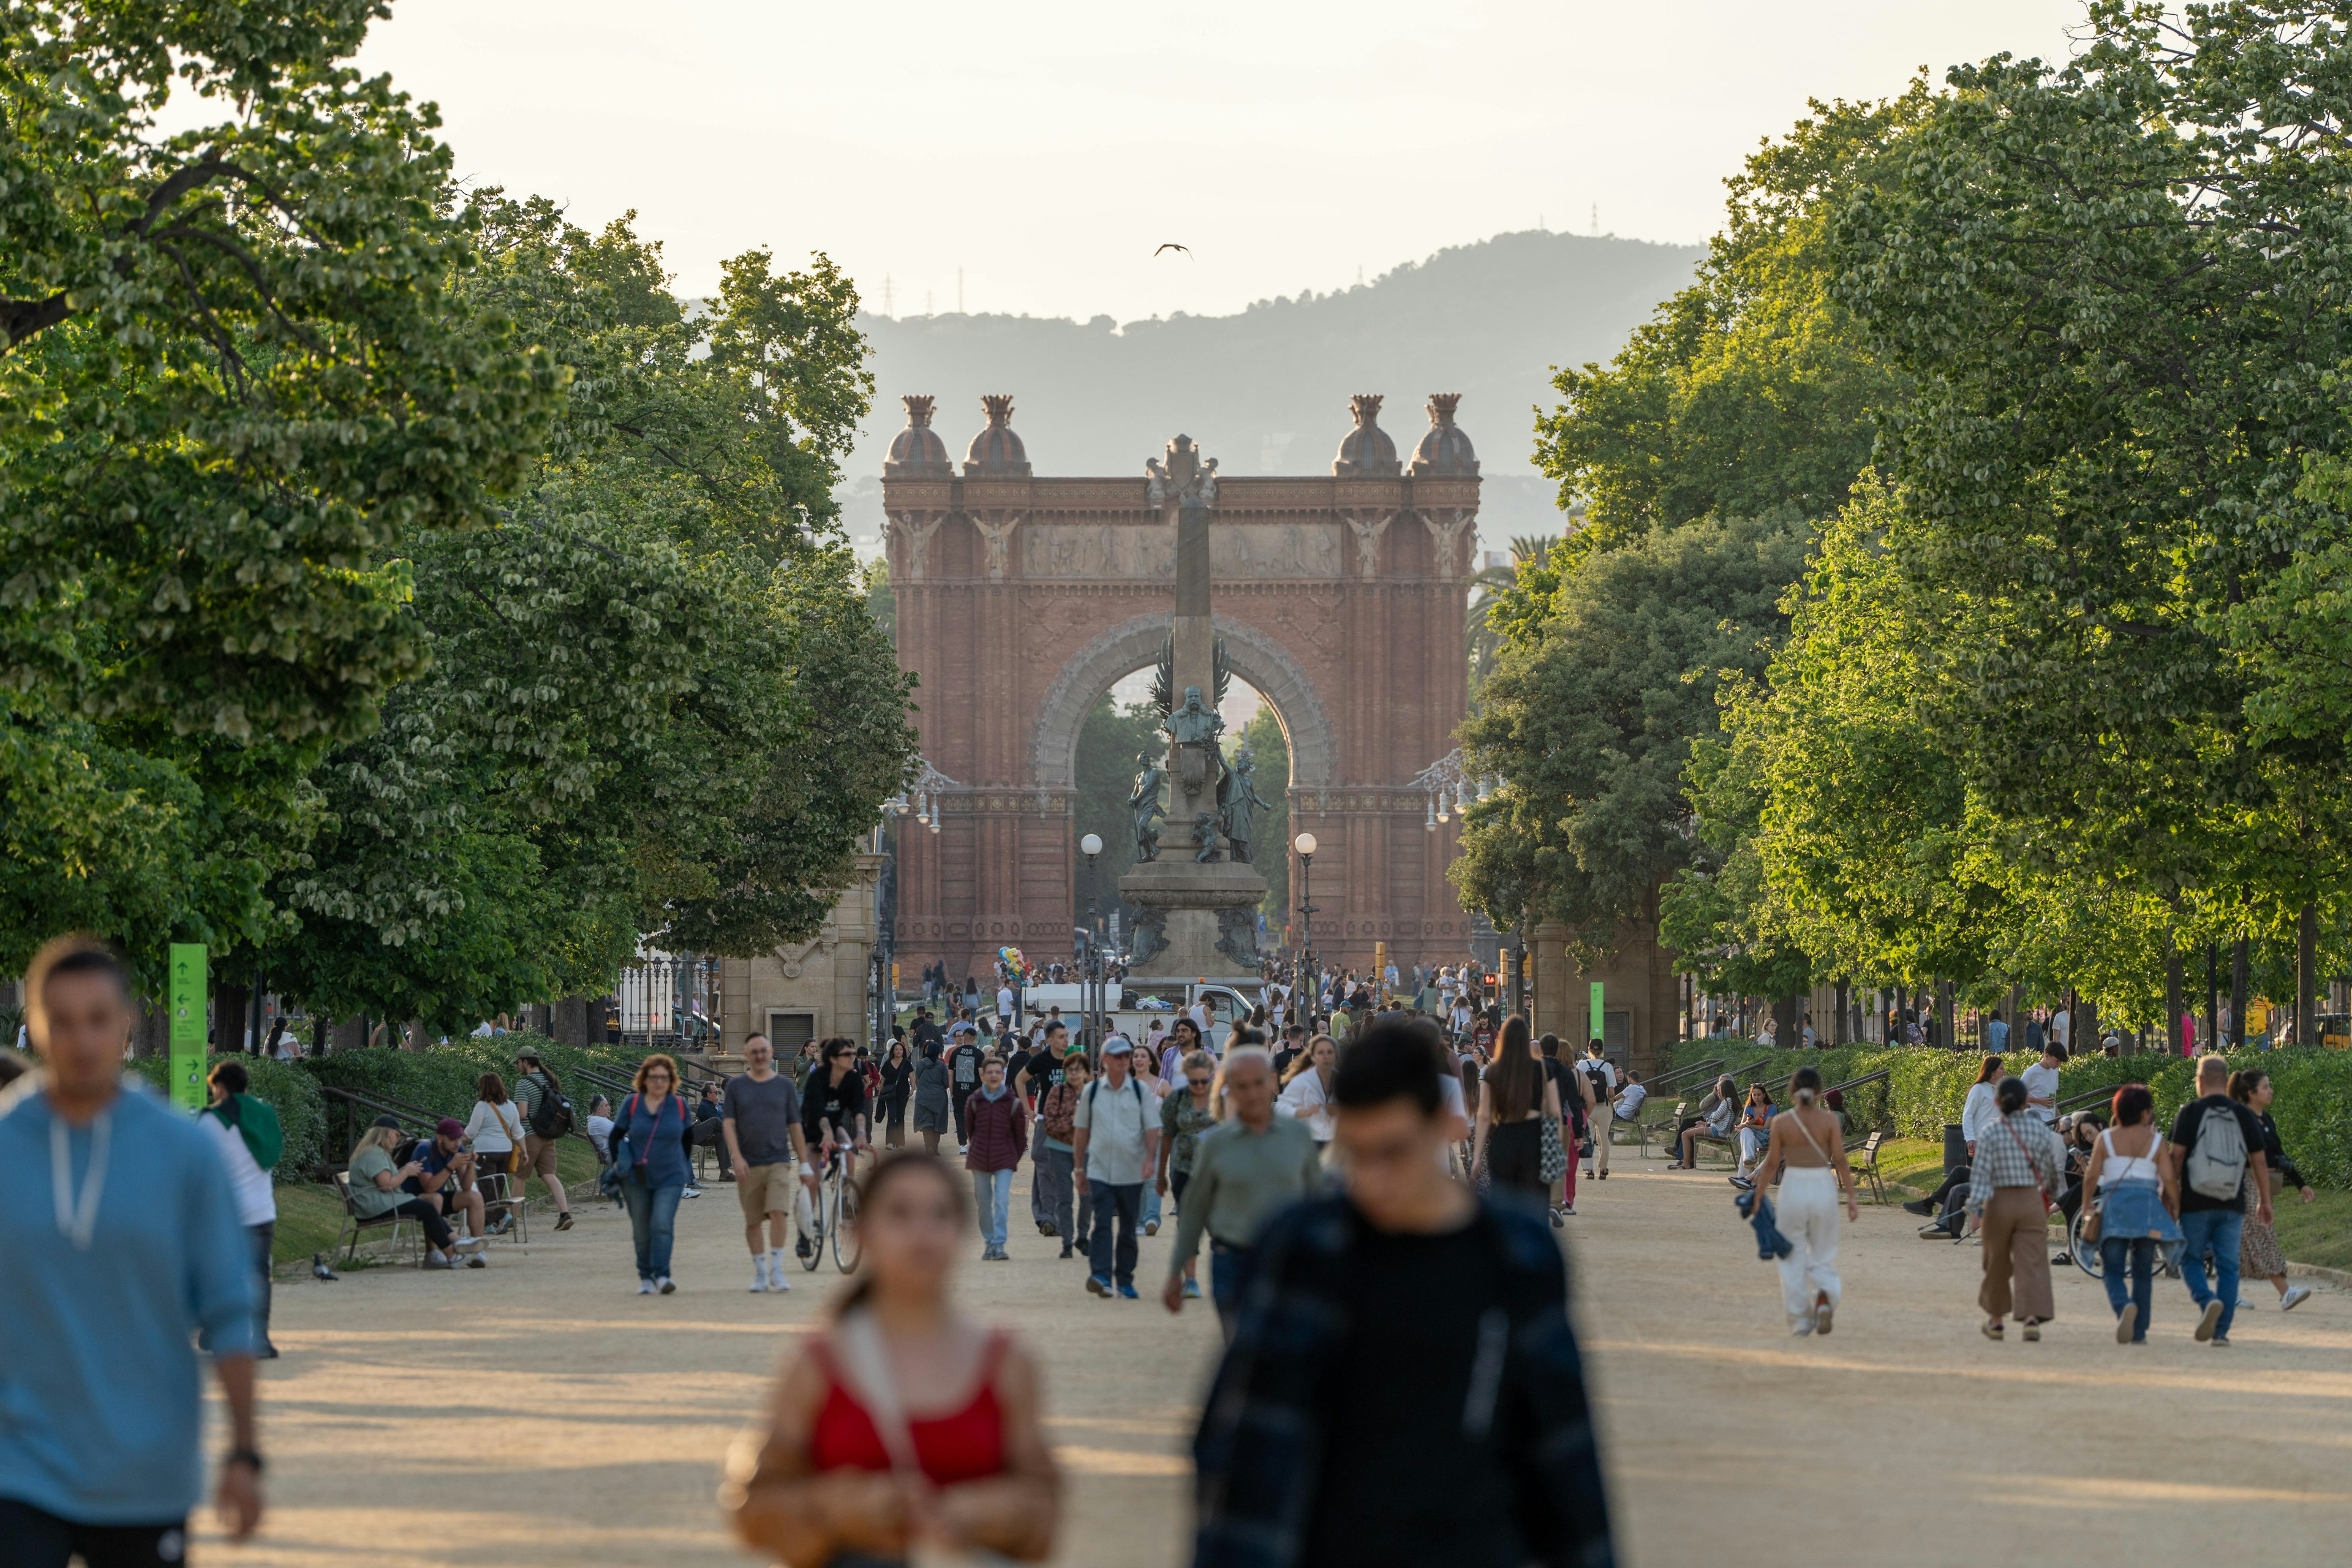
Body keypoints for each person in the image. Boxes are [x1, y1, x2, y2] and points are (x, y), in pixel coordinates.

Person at [1189, 1019, 1612, 1568]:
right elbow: (1243, 1445)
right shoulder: (1306, 1251)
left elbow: (1564, 1451)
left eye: (1393, 1151)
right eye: (1357, 1154)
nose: (1375, 1181)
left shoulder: (1517, 1255)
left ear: (1442, 1125)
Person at [2, 937, 266, 1561]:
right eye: (60, 1021)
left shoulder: (183, 1151)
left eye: (98, 1018)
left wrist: (245, 1453)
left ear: (125, 1022)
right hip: (19, 1466)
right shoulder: (5, 1145)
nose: (82, 1040)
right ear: (34, 1027)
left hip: (145, 1468)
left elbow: (230, 1308)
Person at [727, 1153, 1060, 1565]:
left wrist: (983, 1513)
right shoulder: (816, 1364)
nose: (922, 1233)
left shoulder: (1008, 1362)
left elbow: (1046, 1511)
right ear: (861, 1233)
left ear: (962, 1233)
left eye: (940, 1214)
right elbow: (751, 1507)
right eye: (899, 1213)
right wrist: (839, 1506)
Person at [1163, 1047, 1322, 1335]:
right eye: (1242, 1086)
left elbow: (1317, 1202)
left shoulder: (1298, 1137)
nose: (1251, 1094)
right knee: (1240, 1346)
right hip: (1231, 1261)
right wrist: (1176, 1272)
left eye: (1259, 1083)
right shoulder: (1216, 1144)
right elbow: (1194, 1208)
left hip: (1286, 1262)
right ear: (1229, 1090)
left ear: (1273, 1081)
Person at [1743, 1066, 1859, 1335]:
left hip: (1793, 1185)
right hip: (1821, 1184)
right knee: (1823, 1251)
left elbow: (1771, 1164)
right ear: (1819, 1093)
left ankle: (1800, 1319)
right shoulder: (1829, 1122)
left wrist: (1758, 1197)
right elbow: (1841, 1160)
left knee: (1791, 1254)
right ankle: (1824, 1297)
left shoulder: (1783, 1122)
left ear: (1791, 1092)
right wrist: (1852, 1197)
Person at [2166, 1054, 2272, 1345]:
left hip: (2195, 1202)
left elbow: (2176, 1158)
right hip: (2232, 1200)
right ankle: (2222, 1332)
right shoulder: (2242, 1114)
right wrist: (2266, 1201)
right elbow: (2259, 1161)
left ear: (2199, 1081)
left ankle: (2205, 1300)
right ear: (2226, 1082)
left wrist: (2170, 1197)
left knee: (2190, 1259)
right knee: (2228, 1266)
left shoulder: (2189, 1112)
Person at [2075, 1084, 2180, 1343]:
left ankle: (2123, 1306)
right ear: (2145, 1113)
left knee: (2112, 1269)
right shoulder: (2156, 1141)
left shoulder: (2106, 1138)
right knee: (2143, 1272)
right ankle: (2140, 1332)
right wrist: (2175, 1206)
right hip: (2147, 1209)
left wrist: (2087, 1204)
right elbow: (2168, 1179)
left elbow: (2091, 1176)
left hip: (2115, 1208)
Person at [1964, 1076, 2065, 1341]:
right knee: (2031, 1260)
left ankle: (1996, 1320)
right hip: (2031, 1200)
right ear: (2024, 1103)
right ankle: (2031, 1318)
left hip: (1998, 1202)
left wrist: (1976, 1209)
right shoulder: (2040, 1131)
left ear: (1997, 1103)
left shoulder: (1990, 1132)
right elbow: (2050, 1173)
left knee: (1996, 1261)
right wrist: (2049, 1196)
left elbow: (1981, 1176)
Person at [198, 1060, 282, 1359]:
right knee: (260, 1275)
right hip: (261, 1210)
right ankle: (260, 1339)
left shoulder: (210, 1120)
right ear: (245, 1086)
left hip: (224, 1214)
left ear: (220, 1088)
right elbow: (274, 1153)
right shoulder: (265, 1114)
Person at [723, 1035, 813, 1294]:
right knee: (753, 1221)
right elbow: (728, 1124)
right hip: (748, 1163)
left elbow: (795, 1126)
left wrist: (805, 1163)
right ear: (746, 1055)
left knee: (778, 1212)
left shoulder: (784, 1086)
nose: (760, 1055)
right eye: (755, 1051)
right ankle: (761, 1272)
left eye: (764, 1051)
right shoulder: (737, 1087)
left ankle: (777, 1269)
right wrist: (736, 1157)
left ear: (771, 1052)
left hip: (778, 1161)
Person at [1073, 1038, 1159, 1300]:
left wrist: (1149, 1160)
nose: (1123, 1060)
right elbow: (1081, 1131)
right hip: (1099, 1170)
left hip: (1131, 1171)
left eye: (1126, 1056)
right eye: (1117, 1056)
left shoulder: (1140, 1091)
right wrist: (1079, 1169)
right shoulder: (1092, 1091)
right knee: (1101, 1224)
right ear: (1105, 1060)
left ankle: (1124, 1280)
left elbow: (1152, 1128)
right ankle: (1100, 1276)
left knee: (1128, 1228)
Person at [2229, 1068, 2313, 1313]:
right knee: (2259, 1235)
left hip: (2259, 1183)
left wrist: (2301, 1183)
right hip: (2244, 1183)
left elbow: (2277, 1152)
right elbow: (2254, 1156)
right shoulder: (2242, 1118)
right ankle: (2285, 1291)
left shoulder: (2265, 1119)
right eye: (2265, 1087)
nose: (2271, 1091)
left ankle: (2230, 1293)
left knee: (2243, 1239)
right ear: (2251, 1092)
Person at [616, 1054, 694, 1294]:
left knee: (661, 1223)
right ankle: (646, 1276)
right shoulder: (632, 1104)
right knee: (641, 1229)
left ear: (671, 1080)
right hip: (636, 1177)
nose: (659, 1082)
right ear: (644, 1079)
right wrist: (621, 1162)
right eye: (654, 1077)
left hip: (670, 1176)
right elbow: (615, 1136)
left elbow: (688, 1138)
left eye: (664, 1077)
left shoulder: (679, 1106)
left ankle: (662, 1275)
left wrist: (680, 1164)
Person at [1471, 1017, 1561, 1200]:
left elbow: (1484, 1116)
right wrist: (1556, 1144)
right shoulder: (1542, 1068)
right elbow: (1555, 1111)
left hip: (1504, 1136)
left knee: (1504, 1200)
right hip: (1534, 1137)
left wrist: (1477, 1155)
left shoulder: (1493, 1071)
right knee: (1536, 1199)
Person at [1156, 1049, 1221, 1303]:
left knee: (1220, 1228)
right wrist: (1161, 1174)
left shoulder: (1222, 1100)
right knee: (1187, 1226)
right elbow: (1167, 1136)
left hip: (1215, 1173)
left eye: (1204, 1081)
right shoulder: (1176, 1100)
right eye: (1194, 1081)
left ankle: (1222, 1279)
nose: (1199, 1086)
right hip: (1183, 1170)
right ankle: (1191, 1280)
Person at [964, 1056, 1029, 1261]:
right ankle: (989, 1241)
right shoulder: (974, 1101)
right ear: (982, 1075)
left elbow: (1020, 1137)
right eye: (989, 1072)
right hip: (980, 1159)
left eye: (997, 1072)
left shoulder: (1013, 1103)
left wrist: (1012, 1158)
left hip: (1004, 1160)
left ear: (1003, 1075)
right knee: (983, 1203)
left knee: (1001, 1201)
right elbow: (970, 1131)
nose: (993, 1075)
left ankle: (999, 1244)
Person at [511, 1047, 576, 1231]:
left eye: (518, 1063)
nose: (517, 1066)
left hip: (530, 1136)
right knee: (549, 1175)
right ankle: (564, 1214)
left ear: (526, 1062)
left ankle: (512, 1219)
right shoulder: (550, 1082)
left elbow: (522, 1114)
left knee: (520, 1176)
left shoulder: (523, 1084)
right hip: (548, 1135)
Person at [409, 1117, 491, 1257]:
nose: (456, 1143)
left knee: (474, 1197)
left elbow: (466, 1187)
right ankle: (432, 1254)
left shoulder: (457, 1149)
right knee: (435, 1199)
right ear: (440, 1137)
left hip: (439, 1196)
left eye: (459, 1139)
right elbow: (429, 1188)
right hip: (415, 1199)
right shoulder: (425, 1149)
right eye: (452, 1139)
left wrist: (470, 1165)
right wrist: (451, 1165)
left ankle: (477, 1250)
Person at [1036, 1052, 1090, 1260]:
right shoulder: (1057, 1092)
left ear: (1086, 1073)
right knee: (1065, 1197)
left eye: (1079, 1069)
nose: (1074, 1073)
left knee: (1088, 1196)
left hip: (1087, 1150)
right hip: (1059, 1150)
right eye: (1070, 1070)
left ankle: (1082, 1236)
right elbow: (1048, 1122)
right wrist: (1074, 1124)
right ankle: (1067, 1241)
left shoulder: (1093, 1094)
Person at [804, 1038, 875, 1190]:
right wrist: (827, 1132)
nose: (852, 1057)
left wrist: (862, 1132)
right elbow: (817, 1109)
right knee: (813, 1177)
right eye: (847, 1054)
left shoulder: (853, 1078)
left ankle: (845, 1197)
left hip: (835, 1125)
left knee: (849, 1155)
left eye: (853, 1053)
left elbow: (859, 1108)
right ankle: (810, 1209)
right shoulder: (817, 1078)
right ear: (833, 1059)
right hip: (812, 1127)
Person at [464, 1071, 529, 1231]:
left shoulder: (482, 1106)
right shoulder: (511, 1106)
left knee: (487, 1187)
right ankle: (488, 1224)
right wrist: (525, 1151)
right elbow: (517, 1131)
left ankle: (502, 1215)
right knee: (497, 1187)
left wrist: (460, 1142)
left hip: (485, 1151)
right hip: (505, 1151)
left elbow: (472, 1131)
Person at [1130, 1036, 1169, 1235]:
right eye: (1135, 1056)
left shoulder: (1162, 1085)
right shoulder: (1127, 1085)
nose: (1139, 1059)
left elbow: (1174, 1110)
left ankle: (1152, 1219)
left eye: (1143, 1056)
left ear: (1151, 1061)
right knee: (1136, 1179)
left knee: (1153, 1178)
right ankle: (1138, 1221)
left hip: (1157, 1137)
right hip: (1133, 1138)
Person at [1276, 1032, 1337, 1145]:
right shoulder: (1302, 1081)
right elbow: (1280, 1108)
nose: (1326, 1057)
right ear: (1313, 1057)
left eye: (1330, 1052)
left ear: (1336, 1055)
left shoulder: (1343, 1081)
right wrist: (1302, 1112)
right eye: (1321, 1053)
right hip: (1309, 1140)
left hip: (1336, 1142)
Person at [1672, 1075, 1738, 1170]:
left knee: (1686, 1134)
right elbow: (1703, 1107)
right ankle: (1685, 1161)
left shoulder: (1727, 1101)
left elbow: (1715, 1117)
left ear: (1726, 1088)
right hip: (1715, 1127)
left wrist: (1707, 1123)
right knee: (1689, 1129)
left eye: (1720, 1089)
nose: (1718, 1091)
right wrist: (1714, 1094)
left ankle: (1686, 1163)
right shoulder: (1728, 1100)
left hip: (1717, 1130)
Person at [1580, 1041, 1618, 1179]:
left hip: (1586, 1107)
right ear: (1602, 1050)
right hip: (1604, 1107)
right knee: (1604, 1140)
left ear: (1589, 1050)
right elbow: (1611, 1090)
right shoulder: (1607, 1066)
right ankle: (1603, 1169)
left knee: (1587, 1139)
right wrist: (1611, 1104)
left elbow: (1578, 1086)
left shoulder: (1583, 1065)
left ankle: (1589, 1170)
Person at [947, 1026, 984, 1152]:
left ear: (964, 1037)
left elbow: (951, 1073)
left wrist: (952, 1090)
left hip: (958, 1090)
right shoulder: (979, 1054)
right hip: (976, 1091)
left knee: (960, 1117)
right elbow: (981, 1074)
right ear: (975, 1038)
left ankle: (962, 1145)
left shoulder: (956, 1053)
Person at [911, 1040, 952, 1155]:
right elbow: (946, 1083)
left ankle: (928, 1146)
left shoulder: (920, 1063)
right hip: (939, 1097)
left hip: (923, 1095)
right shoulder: (942, 1065)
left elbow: (917, 1077)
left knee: (926, 1122)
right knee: (938, 1122)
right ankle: (935, 1148)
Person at [1731, 1083, 1776, 1186]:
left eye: (1759, 1095)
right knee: (1746, 1133)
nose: (1756, 1097)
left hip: (1765, 1138)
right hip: (1751, 1138)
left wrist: (1749, 1126)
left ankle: (1742, 1178)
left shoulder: (1771, 1108)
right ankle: (1749, 1159)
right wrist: (1746, 1124)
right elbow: (1742, 1126)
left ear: (1764, 1095)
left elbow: (1767, 1127)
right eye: (1754, 1095)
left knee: (1746, 1136)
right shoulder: (1749, 1107)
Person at [2020, 1040, 2063, 1126]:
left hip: (2050, 1120)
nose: (2059, 1064)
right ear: (2047, 1056)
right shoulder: (2031, 1073)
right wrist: (2039, 1101)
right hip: (2034, 1121)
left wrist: (2059, 1119)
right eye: (2057, 1061)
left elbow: (2052, 1099)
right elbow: (2017, 1096)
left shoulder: (2054, 1071)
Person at [879, 1036, 912, 1148]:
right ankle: (890, 1142)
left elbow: (912, 1076)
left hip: (903, 1093)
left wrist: (912, 1089)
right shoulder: (888, 1063)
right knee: (892, 1116)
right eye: (897, 1049)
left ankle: (901, 1142)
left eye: (901, 1050)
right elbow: (882, 1078)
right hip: (890, 1094)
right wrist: (880, 1091)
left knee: (901, 1116)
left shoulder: (907, 1063)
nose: (899, 1051)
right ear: (893, 1051)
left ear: (903, 1051)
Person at [586, 1094, 616, 1164]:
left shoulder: (597, 1120)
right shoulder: (598, 1122)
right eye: (606, 1106)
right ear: (599, 1109)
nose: (609, 1108)